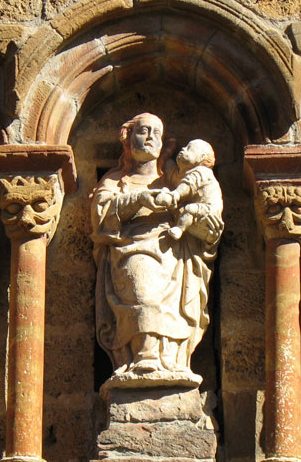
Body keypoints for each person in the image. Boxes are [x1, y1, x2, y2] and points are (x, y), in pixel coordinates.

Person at [90, 113, 223, 382]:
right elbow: (100, 217)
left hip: (176, 253)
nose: (150, 137)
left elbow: (206, 207)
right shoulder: (116, 180)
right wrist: (139, 200)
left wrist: (207, 224)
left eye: (157, 133)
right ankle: (144, 357)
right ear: (128, 139)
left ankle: (171, 361)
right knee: (143, 291)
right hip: (132, 249)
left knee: (176, 304)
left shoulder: (174, 180)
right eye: (143, 131)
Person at [163, 139, 223, 241]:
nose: (183, 148)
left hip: (209, 210)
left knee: (189, 209)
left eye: (189, 149)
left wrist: (175, 195)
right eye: (185, 146)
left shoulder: (202, 172)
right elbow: (171, 174)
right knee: (185, 210)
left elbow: (188, 186)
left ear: (201, 158)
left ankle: (179, 229)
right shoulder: (180, 173)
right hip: (195, 217)